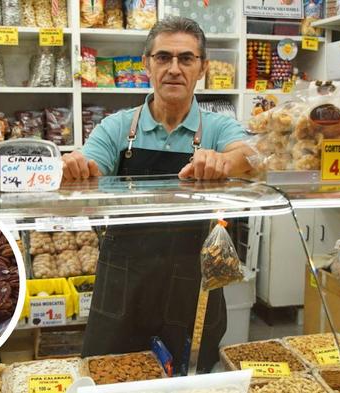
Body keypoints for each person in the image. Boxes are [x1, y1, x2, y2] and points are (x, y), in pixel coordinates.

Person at [62, 17, 253, 373]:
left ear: (202, 68)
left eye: (186, 59)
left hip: (193, 285)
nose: (174, 69)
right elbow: (91, 166)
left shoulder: (217, 127)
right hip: (124, 284)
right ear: (146, 63)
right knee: (111, 373)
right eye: (163, 57)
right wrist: (77, 167)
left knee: (189, 375)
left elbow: (254, 159)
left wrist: (224, 160)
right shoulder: (118, 127)